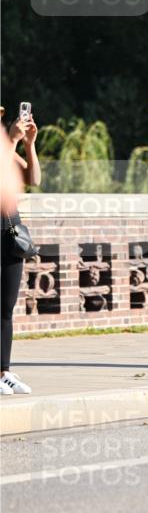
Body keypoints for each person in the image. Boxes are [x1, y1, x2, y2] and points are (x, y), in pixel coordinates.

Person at [1, 103, 41, 395]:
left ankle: (4, 372)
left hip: (10, 234)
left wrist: (28, 145)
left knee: (5, 309)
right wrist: (13, 141)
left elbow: (34, 179)